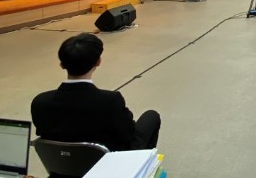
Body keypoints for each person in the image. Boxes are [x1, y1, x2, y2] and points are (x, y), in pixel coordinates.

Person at [31, 34, 161, 151]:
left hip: (61, 164)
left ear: (61, 64)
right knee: (151, 116)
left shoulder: (40, 102)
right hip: (105, 162)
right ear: (98, 62)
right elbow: (128, 135)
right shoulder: (109, 101)